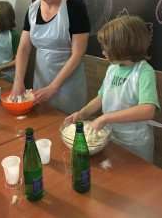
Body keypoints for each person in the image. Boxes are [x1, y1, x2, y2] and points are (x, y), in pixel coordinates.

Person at [65, 15, 160, 162]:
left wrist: (105, 118)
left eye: (106, 48)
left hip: (135, 142)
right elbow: (101, 98)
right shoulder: (113, 68)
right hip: (112, 137)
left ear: (122, 48)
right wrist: (82, 114)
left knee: (136, 180)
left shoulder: (143, 71)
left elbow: (148, 110)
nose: (103, 52)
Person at [11, 0, 90, 114]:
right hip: (41, 82)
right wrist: (18, 81)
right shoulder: (32, 10)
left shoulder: (75, 6)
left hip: (69, 85)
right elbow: (24, 48)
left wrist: (54, 87)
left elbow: (78, 54)